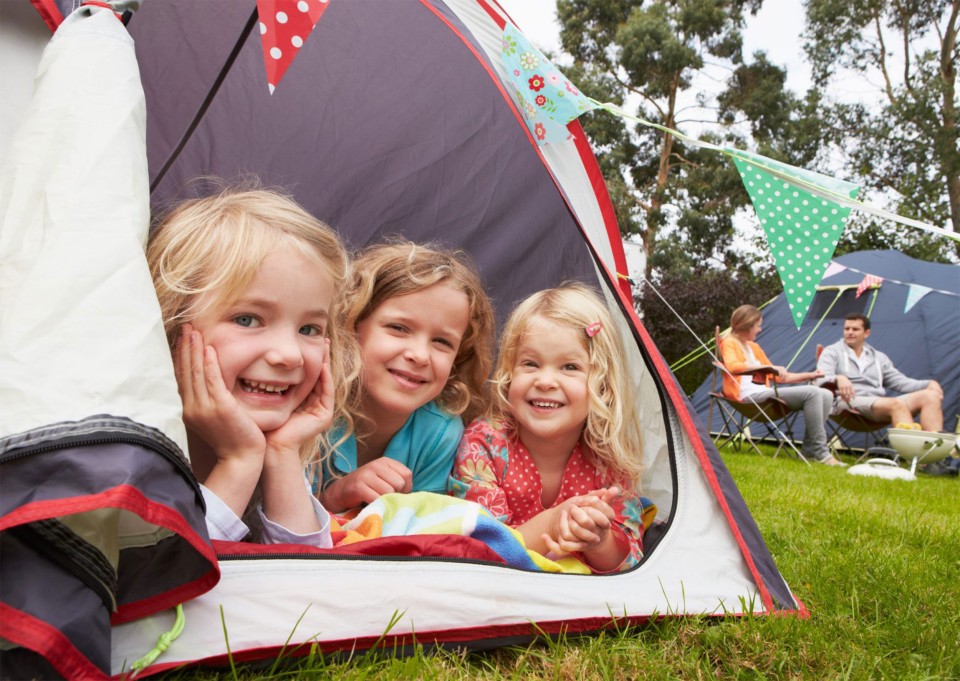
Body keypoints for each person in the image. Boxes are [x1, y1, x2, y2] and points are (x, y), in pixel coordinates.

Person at [148, 187, 354, 546]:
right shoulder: (131, 459)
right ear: (169, 326)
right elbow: (162, 581)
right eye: (247, 319)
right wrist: (238, 462)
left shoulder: (280, 447)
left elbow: (307, 586)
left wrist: (283, 454)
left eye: (309, 329)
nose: (288, 354)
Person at [448, 283, 647, 573]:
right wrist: (554, 523)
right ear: (509, 372)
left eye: (569, 367)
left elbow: (630, 562)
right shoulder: (484, 444)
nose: (545, 381)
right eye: (530, 363)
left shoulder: (609, 459)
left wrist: (599, 541)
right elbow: (481, 549)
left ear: (602, 385)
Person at [316, 241, 495, 514]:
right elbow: (274, 526)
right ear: (351, 325)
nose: (420, 355)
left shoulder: (440, 432)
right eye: (399, 328)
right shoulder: (312, 406)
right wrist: (336, 497)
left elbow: (420, 533)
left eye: (442, 342)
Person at [720, 305, 844, 466]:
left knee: (825, 393)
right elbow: (732, 367)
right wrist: (767, 368)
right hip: (747, 397)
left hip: (765, 393)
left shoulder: (754, 347)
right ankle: (821, 452)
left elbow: (778, 377)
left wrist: (810, 375)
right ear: (748, 324)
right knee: (813, 393)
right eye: (758, 325)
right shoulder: (729, 342)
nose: (760, 329)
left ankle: (809, 451)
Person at [816, 313, 943, 431]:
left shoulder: (879, 357)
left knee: (930, 396)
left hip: (878, 404)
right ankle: (913, 453)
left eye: (855, 329)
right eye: (846, 329)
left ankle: (935, 450)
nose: (849, 332)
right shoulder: (832, 351)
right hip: (847, 404)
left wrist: (929, 384)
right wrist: (839, 378)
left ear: (866, 333)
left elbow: (901, 382)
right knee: (896, 404)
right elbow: (820, 377)